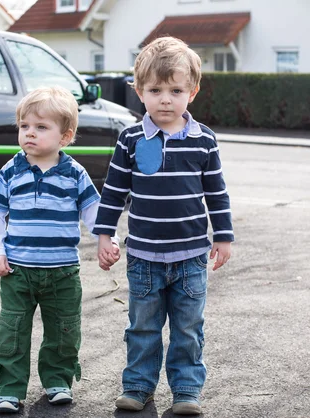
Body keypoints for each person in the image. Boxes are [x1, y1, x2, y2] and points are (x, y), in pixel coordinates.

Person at [93, 36, 234, 415]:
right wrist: (105, 235)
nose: (165, 99)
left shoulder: (204, 140)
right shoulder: (131, 139)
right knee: (142, 329)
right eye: (155, 90)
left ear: (193, 91)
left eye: (175, 90)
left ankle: (187, 390)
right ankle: (138, 386)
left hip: (190, 258)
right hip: (143, 257)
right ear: (139, 91)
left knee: (188, 330)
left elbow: (216, 193)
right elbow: (113, 192)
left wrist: (223, 236)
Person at [0, 86, 119, 414]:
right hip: (17, 271)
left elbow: (93, 213)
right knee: (12, 331)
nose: (30, 133)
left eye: (41, 127)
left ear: (65, 136)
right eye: (24, 126)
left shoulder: (74, 174)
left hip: (62, 272)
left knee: (64, 329)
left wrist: (107, 240)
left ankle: (58, 379)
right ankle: (10, 389)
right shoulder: (11, 170)